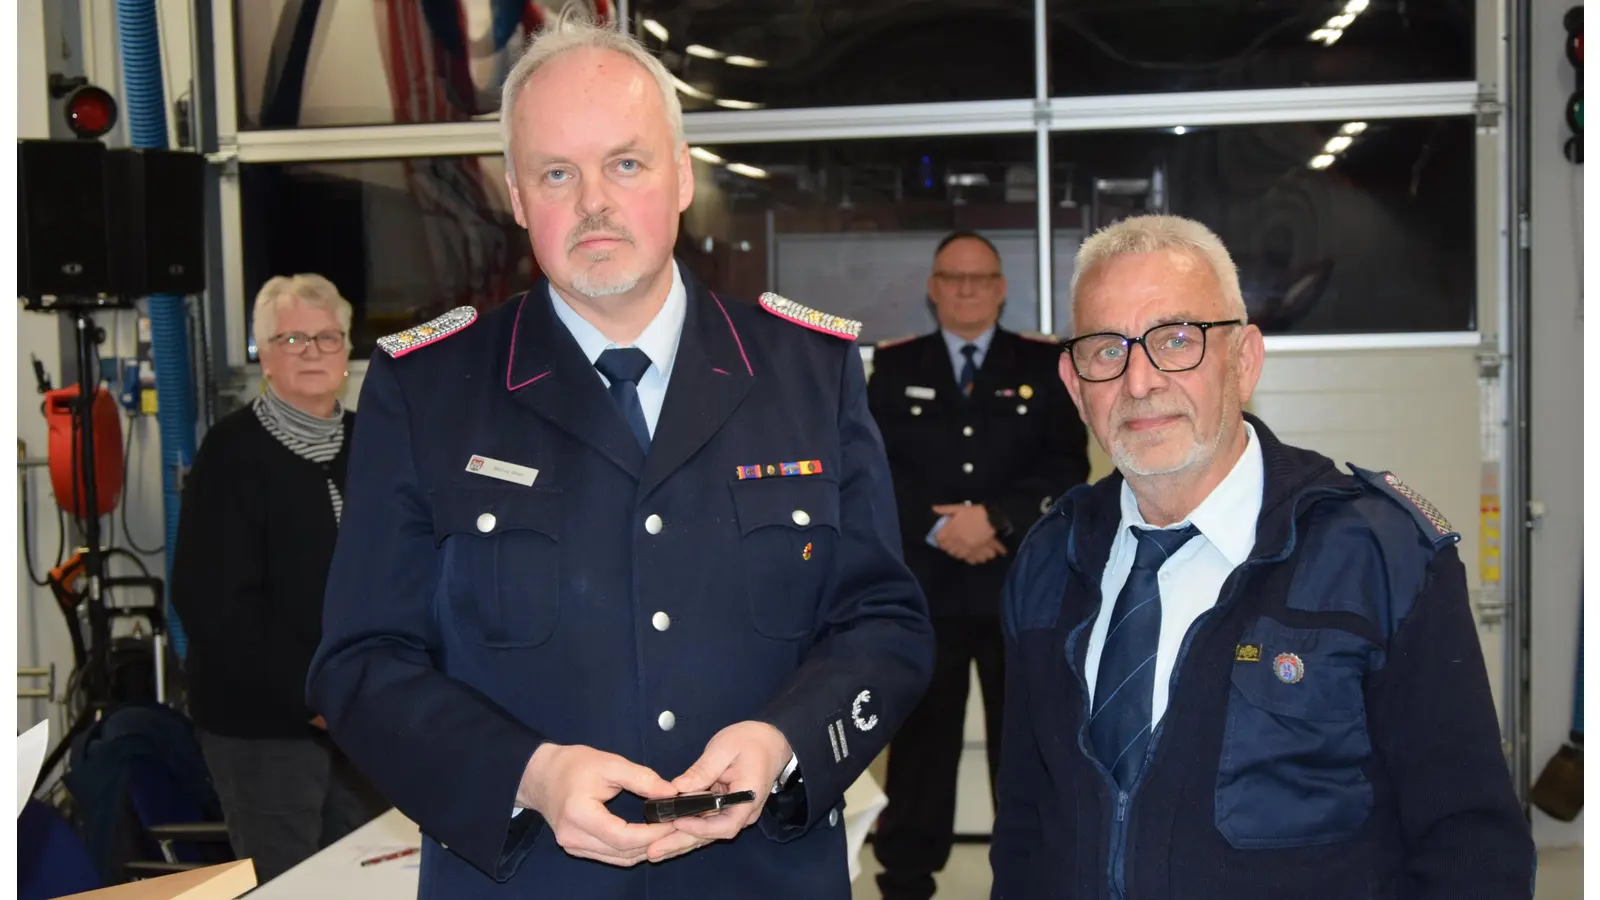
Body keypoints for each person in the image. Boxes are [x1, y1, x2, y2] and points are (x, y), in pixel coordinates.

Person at [305, 14, 934, 900]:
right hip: (529, 880)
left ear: (682, 175)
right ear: (517, 197)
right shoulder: (428, 390)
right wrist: (528, 775)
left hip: (759, 878)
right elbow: (361, 663)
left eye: (626, 164)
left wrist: (784, 742)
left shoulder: (808, 373)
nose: (592, 201)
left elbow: (885, 624)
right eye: (556, 173)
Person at [989, 215, 1534, 899]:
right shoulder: (1050, 559)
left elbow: (1472, 845)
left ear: (1243, 361)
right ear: (1075, 386)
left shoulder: (1379, 555)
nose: (1139, 381)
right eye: (1107, 350)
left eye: (1177, 339)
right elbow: (1026, 828)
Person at [866, 231, 1089, 900]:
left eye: (980, 278)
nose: (966, 289)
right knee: (921, 750)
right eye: (952, 278)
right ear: (933, 289)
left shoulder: (1043, 363)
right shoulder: (895, 366)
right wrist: (938, 525)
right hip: (926, 592)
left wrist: (996, 518)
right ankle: (906, 881)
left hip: (1018, 588)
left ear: (1001, 288)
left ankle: (1031, 880)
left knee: (1024, 745)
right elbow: (873, 464)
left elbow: (1067, 464)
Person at [170, 274, 389, 883]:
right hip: (262, 728)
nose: (313, 352)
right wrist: (311, 697)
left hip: (365, 717)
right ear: (264, 355)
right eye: (293, 339)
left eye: (327, 337)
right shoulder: (231, 454)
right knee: (290, 883)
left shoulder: (375, 442)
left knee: (376, 877)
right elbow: (212, 606)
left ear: (347, 351)